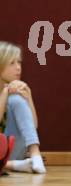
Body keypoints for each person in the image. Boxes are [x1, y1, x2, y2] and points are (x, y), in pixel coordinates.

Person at [0, 41, 46, 174]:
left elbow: (33, 127)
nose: (18, 67)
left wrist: (28, 97)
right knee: (13, 98)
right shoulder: (6, 93)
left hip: (11, 149)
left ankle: (34, 153)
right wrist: (5, 93)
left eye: (19, 62)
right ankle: (15, 165)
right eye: (12, 63)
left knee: (17, 100)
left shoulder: (17, 95)